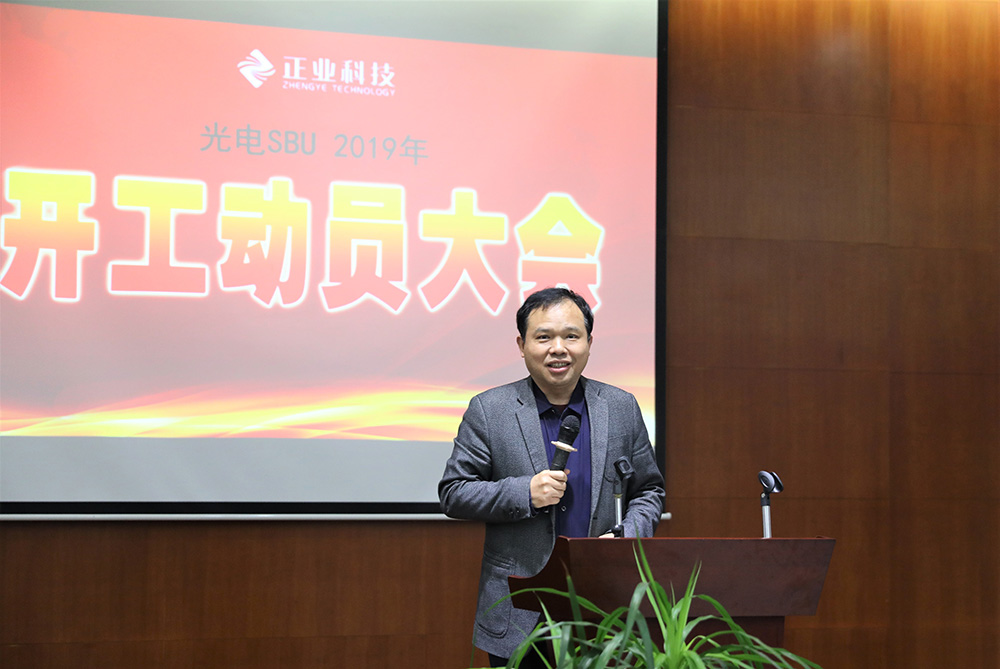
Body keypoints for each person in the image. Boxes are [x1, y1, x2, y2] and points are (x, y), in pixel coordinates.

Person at [438, 287, 665, 667]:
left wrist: (627, 535)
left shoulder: (621, 407)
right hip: (520, 609)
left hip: (605, 601)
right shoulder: (490, 410)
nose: (558, 349)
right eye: (543, 337)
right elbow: (454, 493)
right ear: (521, 344)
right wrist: (524, 493)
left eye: (571, 336)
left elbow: (649, 490)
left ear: (589, 343)